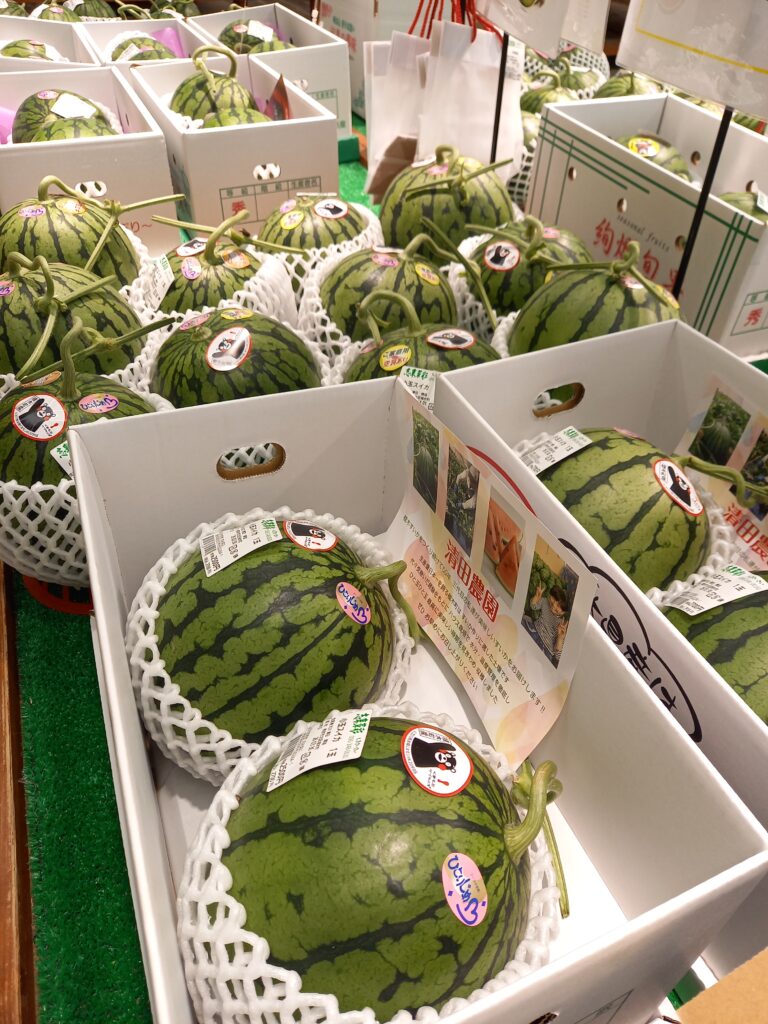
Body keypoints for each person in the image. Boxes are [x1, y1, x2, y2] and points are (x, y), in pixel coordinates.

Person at [531, 582, 568, 661]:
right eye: (552, 603)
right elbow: (533, 606)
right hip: (534, 631)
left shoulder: (562, 624)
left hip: (545, 647)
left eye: (558, 605)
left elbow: (558, 656)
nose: (553, 606)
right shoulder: (545, 601)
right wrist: (536, 597)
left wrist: (560, 638)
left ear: (564, 612)